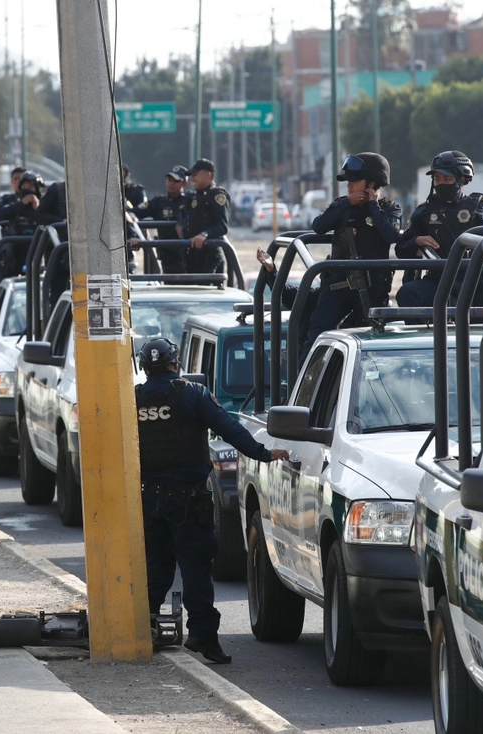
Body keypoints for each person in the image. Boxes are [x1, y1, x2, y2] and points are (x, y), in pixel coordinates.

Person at [135, 338, 289, 665]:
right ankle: (203, 636)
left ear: (144, 368)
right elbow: (229, 428)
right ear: (176, 365)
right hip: (189, 501)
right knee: (195, 568)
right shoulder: (192, 394)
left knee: (156, 566)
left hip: (148, 499)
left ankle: (142, 628)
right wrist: (262, 453)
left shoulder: (132, 400)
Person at [305, 153, 402, 352]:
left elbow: (391, 235)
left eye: (354, 181)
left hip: (372, 287)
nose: (349, 185)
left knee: (365, 339)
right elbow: (319, 226)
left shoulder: (389, 208)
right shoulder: (342, 205)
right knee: (318, 334)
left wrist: (373, 206)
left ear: (372, 183)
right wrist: (346, 203)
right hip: (338, 285)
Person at [396, 151, 483, 310]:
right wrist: (416, 241)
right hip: (437, 280)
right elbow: (401, 248)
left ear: (462, 179)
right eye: (437, 179)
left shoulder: (478, 209)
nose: (440, 183)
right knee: (408, 293)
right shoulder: (424, 212)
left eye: (447, 179)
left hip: (474, 282)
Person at [134, 165, 192, 273]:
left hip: (190, 253)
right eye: (169, 179)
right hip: (168, 255)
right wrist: (137, 233)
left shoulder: (191, 200)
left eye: (176, 181)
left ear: (184, 183)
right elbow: (134, 213)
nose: (171, 183)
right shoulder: (159, 202)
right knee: (169, 285)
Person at [181, 159, 230, 275]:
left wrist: (205, 234)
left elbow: (222, 226)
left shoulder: (217, 195)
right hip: (192, 254)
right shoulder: (193, 197)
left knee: (204, 289)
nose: (193, 179)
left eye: (195, 175)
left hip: (210, 253)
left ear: (208, 175)